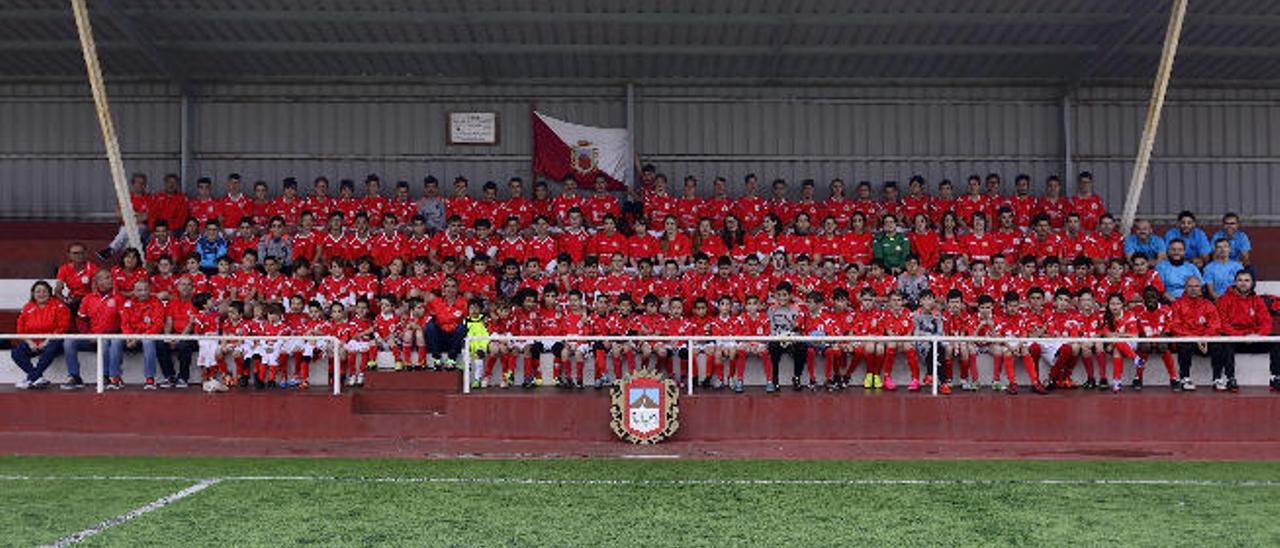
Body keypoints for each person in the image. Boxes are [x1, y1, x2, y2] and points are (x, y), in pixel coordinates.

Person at [1213, 271, 1279, 393]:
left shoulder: (1258, 301)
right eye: (1240, 280)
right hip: (1234, 340)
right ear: (1235, 282)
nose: (1243, 283)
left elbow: (1266, 322)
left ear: (1252, 283)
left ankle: (1275, 377)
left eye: (1247, 280)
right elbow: (1222, 324)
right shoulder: (1224, 300)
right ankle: (1230, 378)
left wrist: (1257, 336)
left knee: (1276, 341)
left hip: (1254, 338)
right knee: (1224, 341)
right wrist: (1241, 337)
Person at [66, 270, 122, 390]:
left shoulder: (118, 298)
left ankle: (106, 376)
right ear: (97, 282)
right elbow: (81, 320)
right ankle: (75, 376)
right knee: (68, 341)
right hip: (91, 337)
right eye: (107, 277)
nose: (111, 280)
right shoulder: (88, 298)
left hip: (110, 337)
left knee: (105, 341)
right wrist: (89, 335)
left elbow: (124, 321)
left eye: (110, 277)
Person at [10, 281, 70, 389]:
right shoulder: (28, 307)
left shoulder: (59, 305)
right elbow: (20, 329)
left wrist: (47, 341)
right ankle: (38, 377)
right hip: (33, 342)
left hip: (53, 341)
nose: (41, 294)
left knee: (52, 346)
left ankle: (31, 378)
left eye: (44, 291)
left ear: (49, 293)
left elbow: (62, 327)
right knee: (16, 352)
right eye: (38, 291)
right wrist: (30, 342)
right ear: (33, 294)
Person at [1168, 276, 1220, 392]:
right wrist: (1195, 338)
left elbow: (1215, 325)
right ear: (1185, 288)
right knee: (1184, 345)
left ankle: (1217, 378)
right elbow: (1174, 326)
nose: (1193, 289)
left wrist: (1206, 337)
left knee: (1220, 344)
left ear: (1201, 288)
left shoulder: (1208, 304)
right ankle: (1185, 378)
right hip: (1188, 339)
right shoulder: (1177, 304)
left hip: (1204, 341)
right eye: (1190, 286)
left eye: (1196, 286)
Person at [114, 279, 165, 390]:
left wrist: (138, 338)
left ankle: (150, 379)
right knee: (115, 341)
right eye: (139, 290)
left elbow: (157, 326)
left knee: (148, 341)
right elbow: (125, 323)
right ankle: (115, 378)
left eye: (145, 289)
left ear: (150, 290)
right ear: (134, 292)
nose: (142, 293)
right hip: (132, 336)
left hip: (147, 335)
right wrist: (129, 337)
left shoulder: (157, 303)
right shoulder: (128, 303)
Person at [766, 281, 807, 393]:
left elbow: (799, 327)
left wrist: (793, 327)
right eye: (779, 295)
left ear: (790, 295)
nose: (782, 298)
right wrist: (777, 337)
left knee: (802, 348)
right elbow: (771, 327)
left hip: (792, 338)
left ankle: (797, 377)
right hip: (777, 338)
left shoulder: (797, 309)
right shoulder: (772, 309)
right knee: (773, 348)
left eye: (785, 295)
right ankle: (775, 379)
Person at [157, 277, 198, 388]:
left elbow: (191, 325)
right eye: (182, 284)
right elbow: (169, 322)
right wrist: (168, 337)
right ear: (178, 287)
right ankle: (169, 376)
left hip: (191, 336)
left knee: (184, 344)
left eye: (188, 284)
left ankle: (183, 378)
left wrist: (179, 339)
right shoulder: (173, 302)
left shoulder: (196, 302)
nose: (185, 287)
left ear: (193, 288)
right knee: (161, 343)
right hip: (176, 334)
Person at [426, 276, 469, 370]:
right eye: (447, 286)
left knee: (462, 327)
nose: (450, 289)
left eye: (453, 286)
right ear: (443, 289)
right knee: (430, 326)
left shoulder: (463, 303)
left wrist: (450, 324)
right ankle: (436, 358)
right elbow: (430, 319)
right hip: (440, 337)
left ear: (457, 289)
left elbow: (465, 320)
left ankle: (451, 359)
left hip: (455, 338)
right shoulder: (435, 302)